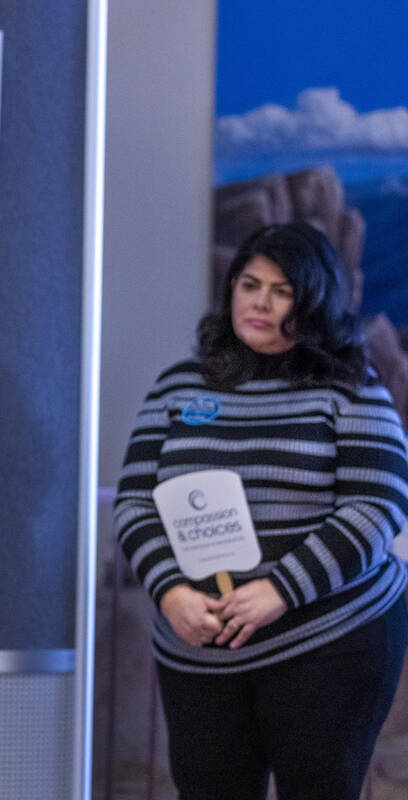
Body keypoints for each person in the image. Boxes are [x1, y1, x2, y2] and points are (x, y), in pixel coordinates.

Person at [115, 221, 408, 800]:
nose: (259, 302)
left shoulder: (350, 387)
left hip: (330, 638)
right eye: (250, 284)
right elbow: (135, 502)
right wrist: (171, 592)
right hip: (198, 644)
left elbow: (377, 507)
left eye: (282, 291)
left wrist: (280, 590)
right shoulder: (179, 384)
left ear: (315, 300)